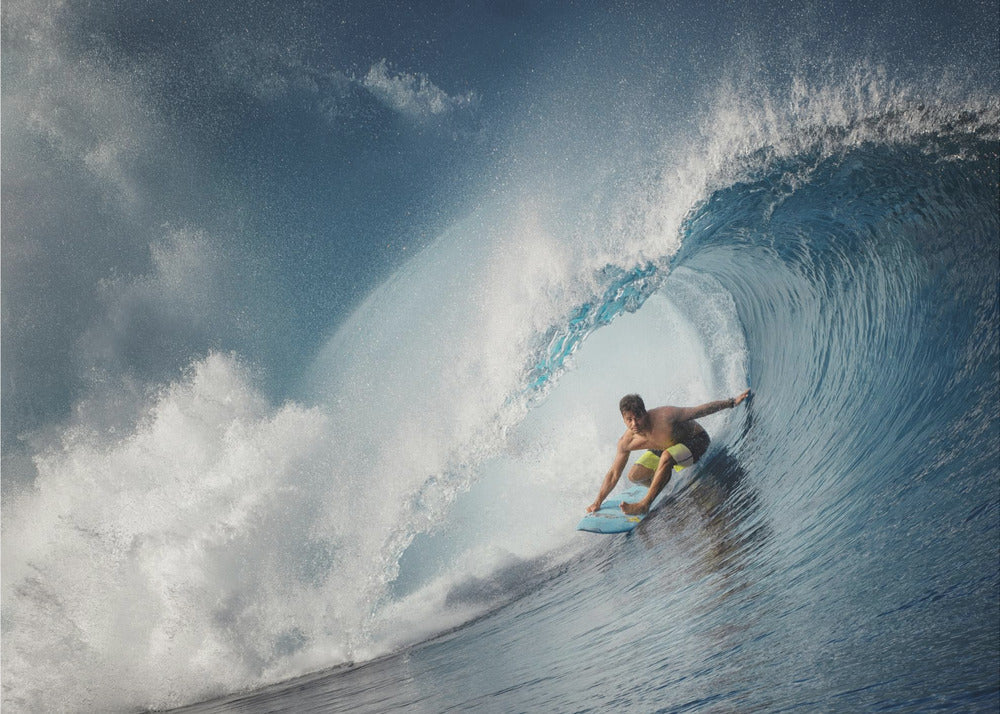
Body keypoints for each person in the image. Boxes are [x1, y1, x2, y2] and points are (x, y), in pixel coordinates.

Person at [587, 389, 751, 516]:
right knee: (634, 475)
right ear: (623, 419)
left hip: (695, 441)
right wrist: (598, 501)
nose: (634, 423)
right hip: (666, 448)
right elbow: (614, 474)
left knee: (666, 456)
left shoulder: (665, 416)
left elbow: (698, 411)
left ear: (645, 412)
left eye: (637, 417)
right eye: (629, 419)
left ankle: (645, 504)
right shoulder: (626, 442)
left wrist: (731, 402)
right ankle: (667, 484)